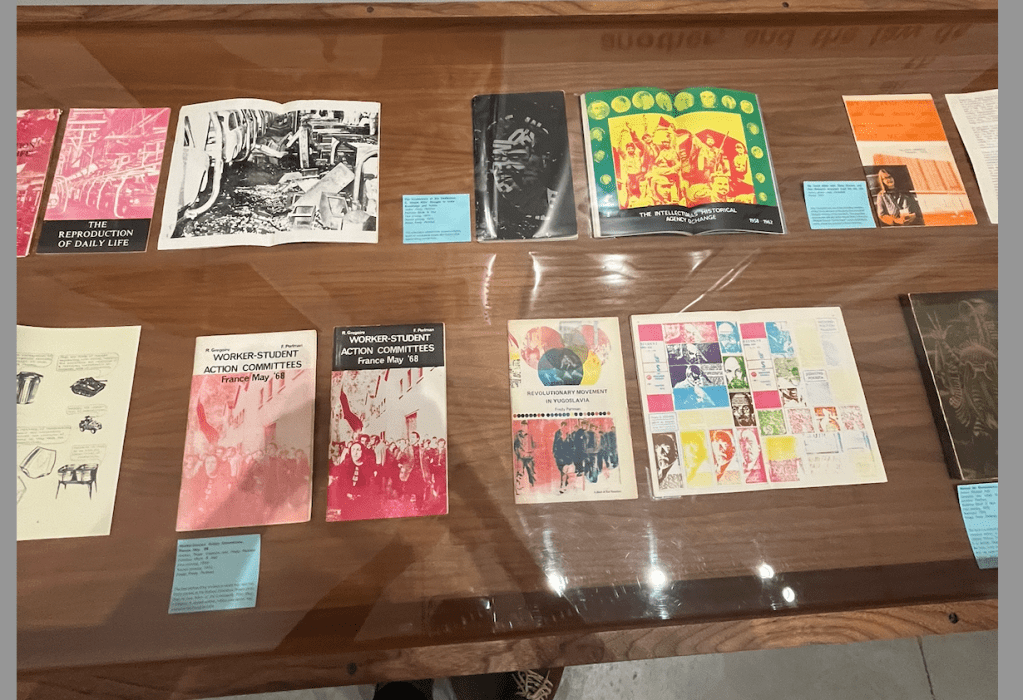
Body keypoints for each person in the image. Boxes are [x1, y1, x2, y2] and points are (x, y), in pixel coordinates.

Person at [513, 423, 537, 488]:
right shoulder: (517, 436)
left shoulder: (530, 435)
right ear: (521, 426)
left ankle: (533, 486)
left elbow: (534, 445)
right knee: (520, 472)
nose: (524, 428)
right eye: (523, 426)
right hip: (521, 457)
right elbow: (515, 446)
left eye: (526, 426)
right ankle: (518, 486)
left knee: (531, 473)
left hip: (529, 457)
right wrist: (519, 453)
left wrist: (532, 453)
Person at [552, 422, 573, 493]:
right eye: (563, 427)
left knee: (564, 471)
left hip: (567, 457)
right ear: (561, 427)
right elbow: (555, 445)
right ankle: (565, 482)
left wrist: (571, 456)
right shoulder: (557, 434)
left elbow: (572, 446)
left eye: (565, 427)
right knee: (562, 471)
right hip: (559, 456)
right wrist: (555, 454)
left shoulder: (569, 436)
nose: (564, 428)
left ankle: (562, 486)